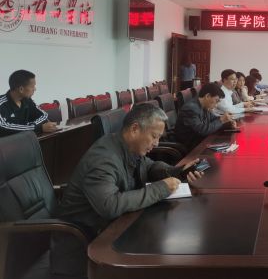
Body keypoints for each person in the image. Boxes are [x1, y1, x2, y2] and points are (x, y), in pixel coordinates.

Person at [54, 103, 204, 276]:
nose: (156, 143)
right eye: (154, 136)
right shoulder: (103, 159)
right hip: (84, 247)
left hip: (112, 229)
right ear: (135, 129)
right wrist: (161, 188)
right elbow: (110, 205)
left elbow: (149, 166)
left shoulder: (127, 145)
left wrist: (177, 171)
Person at [174, 83, 236, 151]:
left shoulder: (204, 105)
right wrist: (221, 120)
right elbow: (202, 130)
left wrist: (227, 123)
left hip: (202, 141)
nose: (216, 105)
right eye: (216, 101)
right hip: (190, 146)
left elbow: (213, 119)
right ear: (207, 96)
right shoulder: (191, 108)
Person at [0, 69, 57, 137]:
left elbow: (43, 115)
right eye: (32, 86)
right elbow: (3, 127)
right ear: (21, 89)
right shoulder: (1, 104)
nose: (35, 89)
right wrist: (38, 128)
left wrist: (32, 126)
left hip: (26, 140)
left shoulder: (27, 100)